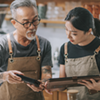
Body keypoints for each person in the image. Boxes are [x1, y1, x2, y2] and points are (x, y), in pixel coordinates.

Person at [0, 0, 52, 100]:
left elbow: (47, 73)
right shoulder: (2, 44)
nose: (32, 27)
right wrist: (4, 76)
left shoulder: (44, 44)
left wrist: (44, 83)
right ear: (14, 23)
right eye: (26, 23)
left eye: (35, 20)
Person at [59, 7, 100, 100]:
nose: (68, 36)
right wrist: (49, 86)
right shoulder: (65, 49)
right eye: (66, 29)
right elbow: (62, 83)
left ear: (89, 31)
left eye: (74, 33)